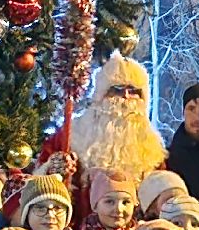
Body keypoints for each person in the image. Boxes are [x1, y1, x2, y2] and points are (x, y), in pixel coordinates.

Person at [66, 52, 166, 183]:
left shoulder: (153, 148)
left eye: (133, 91)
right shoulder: (73, 136)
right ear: (101, 96)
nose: (126, 96)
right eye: (117, 89)